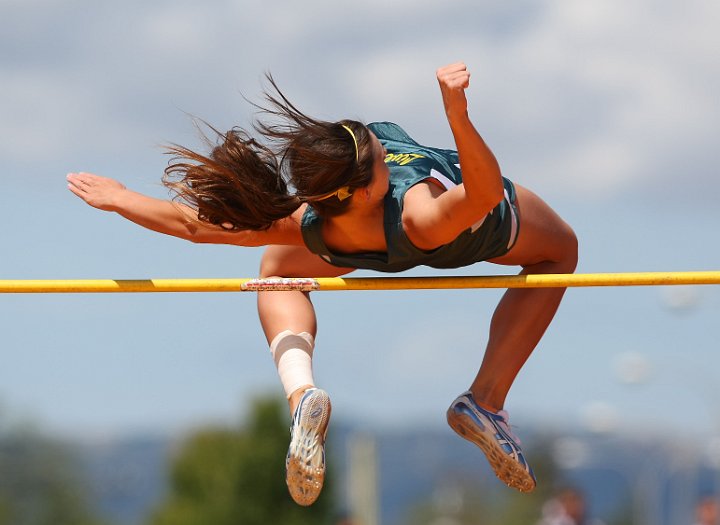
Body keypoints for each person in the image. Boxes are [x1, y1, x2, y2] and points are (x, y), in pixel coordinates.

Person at [67, 62, 578, 506]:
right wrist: (457, 114)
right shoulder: (421, 214)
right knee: (561, 253)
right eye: (381, 158)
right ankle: (485, 398)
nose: (382, 148)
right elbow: (484, 193)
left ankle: (302, 393)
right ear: (363, 188)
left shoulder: (308, 218)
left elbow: (194, 226)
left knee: (275, 275)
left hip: (356, 244)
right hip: (475, 227)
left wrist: (121, 198)